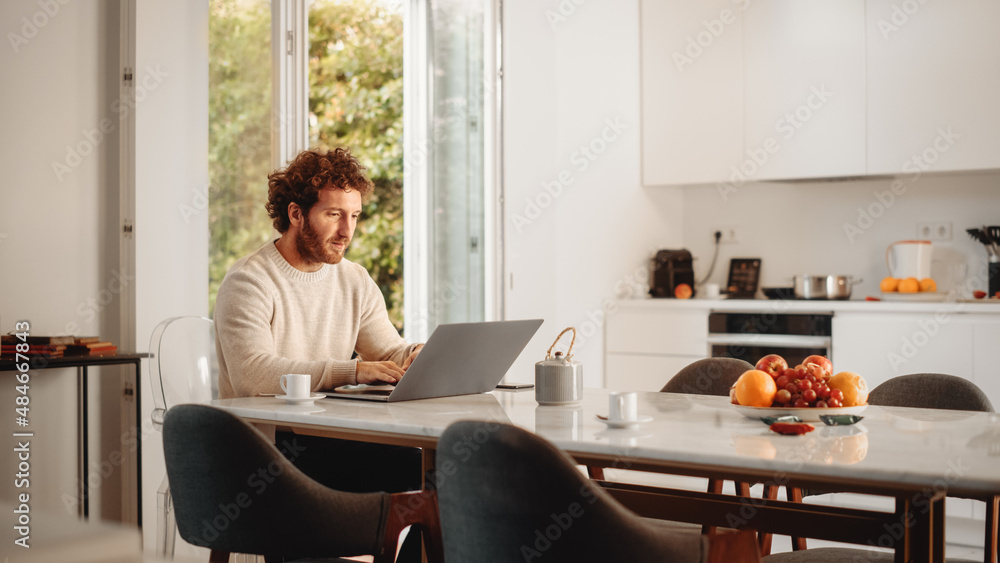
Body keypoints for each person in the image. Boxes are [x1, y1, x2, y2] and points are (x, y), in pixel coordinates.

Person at [214, 147, 424, 507]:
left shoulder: (354, 279)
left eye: (355, 216)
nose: (347, 231)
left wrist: (420, 356)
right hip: (268, 451)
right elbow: (252, 374)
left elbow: (388, 351)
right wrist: (352, 371)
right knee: (421, 470)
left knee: (440, 471)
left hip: (333, 436)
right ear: (296, 214)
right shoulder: (249, 281)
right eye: (334, 215)